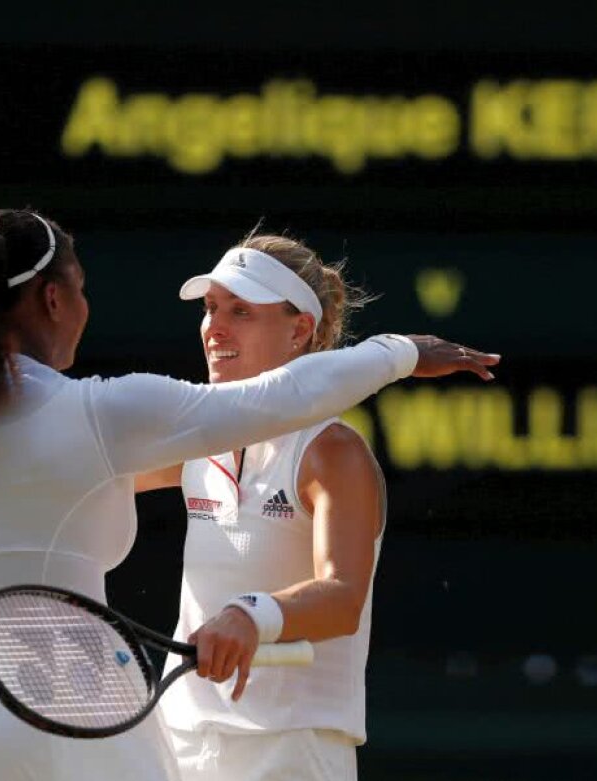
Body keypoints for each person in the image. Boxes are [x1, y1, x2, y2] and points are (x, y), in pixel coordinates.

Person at [0, 202, 499, 781]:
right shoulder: (103, 418)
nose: (214, 325)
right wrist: (401, 352)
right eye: (79, 287)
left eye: (240, 310)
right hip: (81, 723)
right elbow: (282, 397)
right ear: (52, 300)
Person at [139, 234, 458, 781]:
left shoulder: (333, 451)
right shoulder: (192, 437)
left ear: (299, 330)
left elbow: (341, 598)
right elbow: (80, 480)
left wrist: (249, 615)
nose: (214, 328)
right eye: (212, 308)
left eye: (241, 312)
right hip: (180, 742)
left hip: (292, 750)